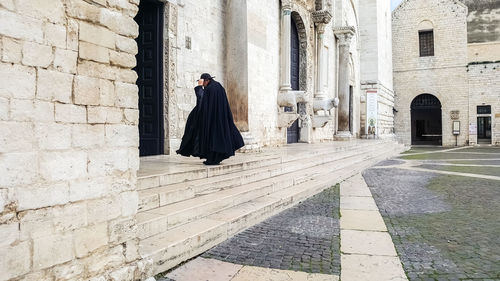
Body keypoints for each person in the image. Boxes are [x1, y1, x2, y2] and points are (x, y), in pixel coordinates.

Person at [177, 73, 244, 165]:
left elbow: (202, 99)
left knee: (211, 138)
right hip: (219, 117)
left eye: (202, 82)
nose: (202, 85)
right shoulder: (219, 86)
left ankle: (212, 159)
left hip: (211, 118)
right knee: (217, 138)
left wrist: (199, 88)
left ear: (206, 81)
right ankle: (214, 159)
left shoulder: (210, 89)